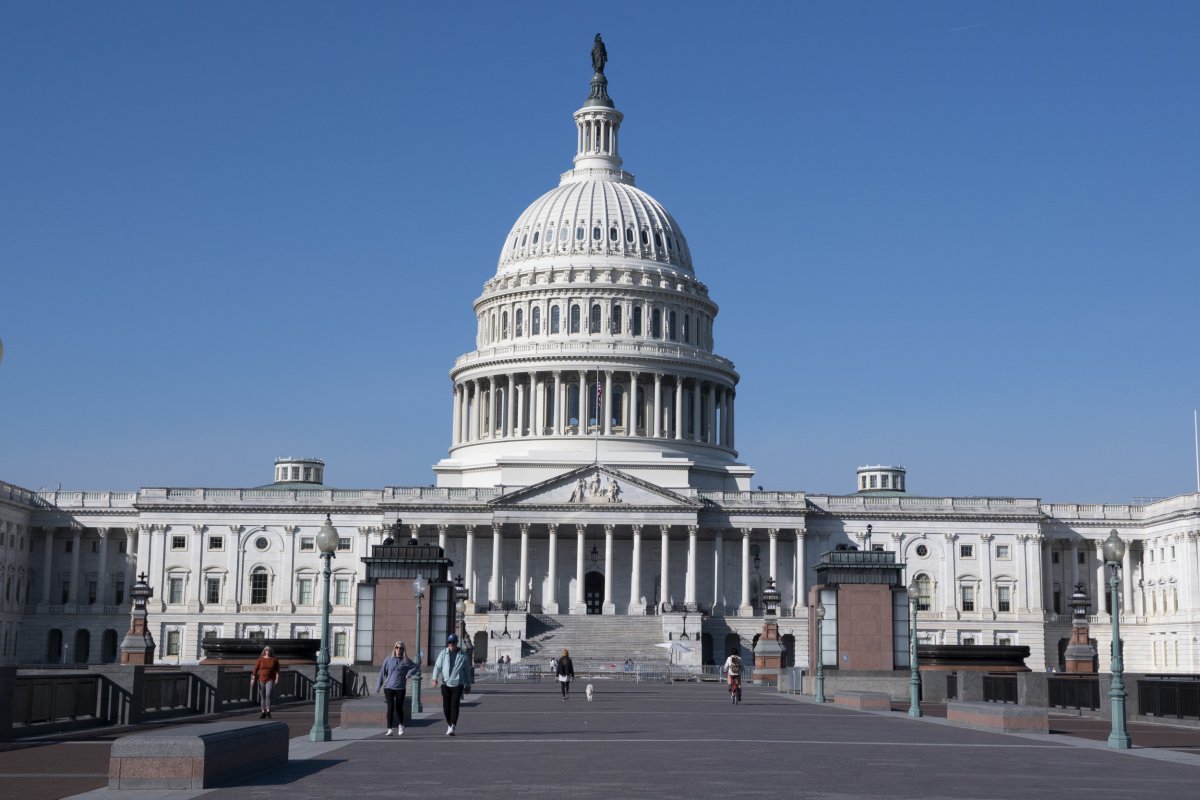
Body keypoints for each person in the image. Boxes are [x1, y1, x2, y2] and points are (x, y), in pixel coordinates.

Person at [432, 633, 472, 736]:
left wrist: (468, 685)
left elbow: (467, 671)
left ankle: (453, 725)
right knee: (446, 707)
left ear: (456, 643)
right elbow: (437, 666)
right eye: (449, 642)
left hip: (457, 684)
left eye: (453, 642)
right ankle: (449, 724)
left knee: (454, 705)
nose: (451, 644)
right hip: (445, 684)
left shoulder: (463, 655)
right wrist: (434, 678)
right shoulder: (443, 653)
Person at [377, 641, 418, 736]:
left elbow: (415, 667)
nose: (399, 649)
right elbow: (382, 672)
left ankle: (401, 725)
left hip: (400, 688)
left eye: (401, 648)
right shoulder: (388, 659)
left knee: (399, 708)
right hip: (389, 687)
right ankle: (389, 728)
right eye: (397, 647)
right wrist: (378, 685)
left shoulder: (406, 660)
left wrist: (408, 674)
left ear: (403, 650)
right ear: (394, 648)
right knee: (390, 707)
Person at [251, 645, 280, 718]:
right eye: (266, 650)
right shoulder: (261, 659)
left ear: (271, 651)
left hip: (270, 679)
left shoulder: (274, 659)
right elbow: (255, 670)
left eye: (269, 650)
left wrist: (277, 679)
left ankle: (268, 711)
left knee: (268, 695)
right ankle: (263, 712)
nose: (267, 651)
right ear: (264, 651)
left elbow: (277, 671)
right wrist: (253, 679)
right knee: (262, 696)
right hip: (261, 679)